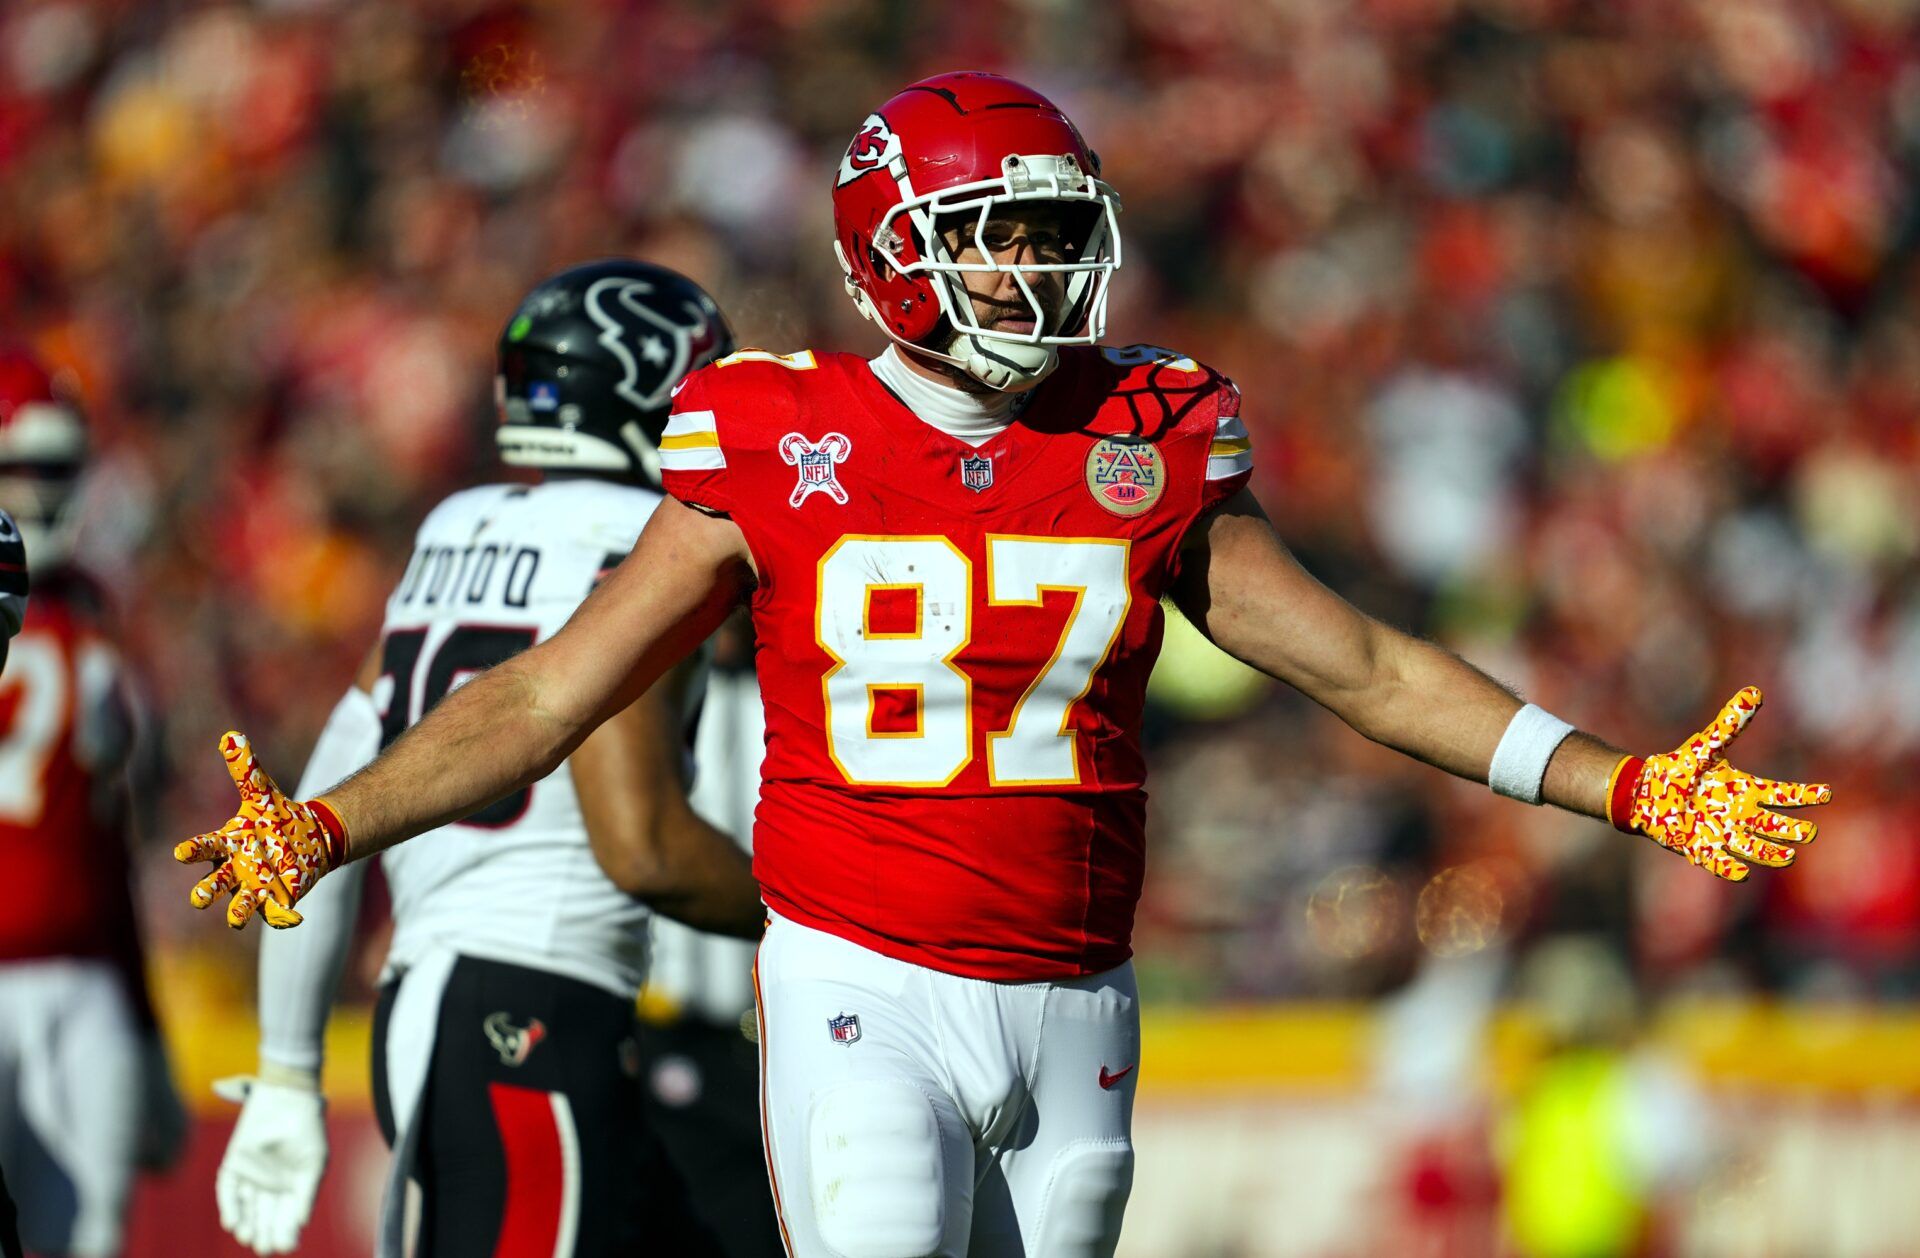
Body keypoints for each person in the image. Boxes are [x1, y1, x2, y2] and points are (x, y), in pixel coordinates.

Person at [176, 73, 1833, 1258]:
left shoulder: (1144, 428)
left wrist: (1616, 776)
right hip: (861, 981)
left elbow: (1368, 664)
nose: (1040, 264)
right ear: (895, 250)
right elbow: (549, 689)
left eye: (1053, 227)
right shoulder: (777, 431)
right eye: (997, 232)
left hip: (1076, 991)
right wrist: (334, 826)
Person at [209, 261, 768, 1258]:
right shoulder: (642, 544)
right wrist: (845, 914)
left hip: (438, 1003)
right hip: (530, 1009)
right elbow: (643, 844)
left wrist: (288, 1065)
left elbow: (311, 815)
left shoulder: (452, 528)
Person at [0, 345, 185, 1257]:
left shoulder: (95, 610)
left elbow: (109, 841)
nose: (46, 492)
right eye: (24, 469)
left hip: (87, 977)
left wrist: (147, 1028)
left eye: (59, 470)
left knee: (94, 1237)